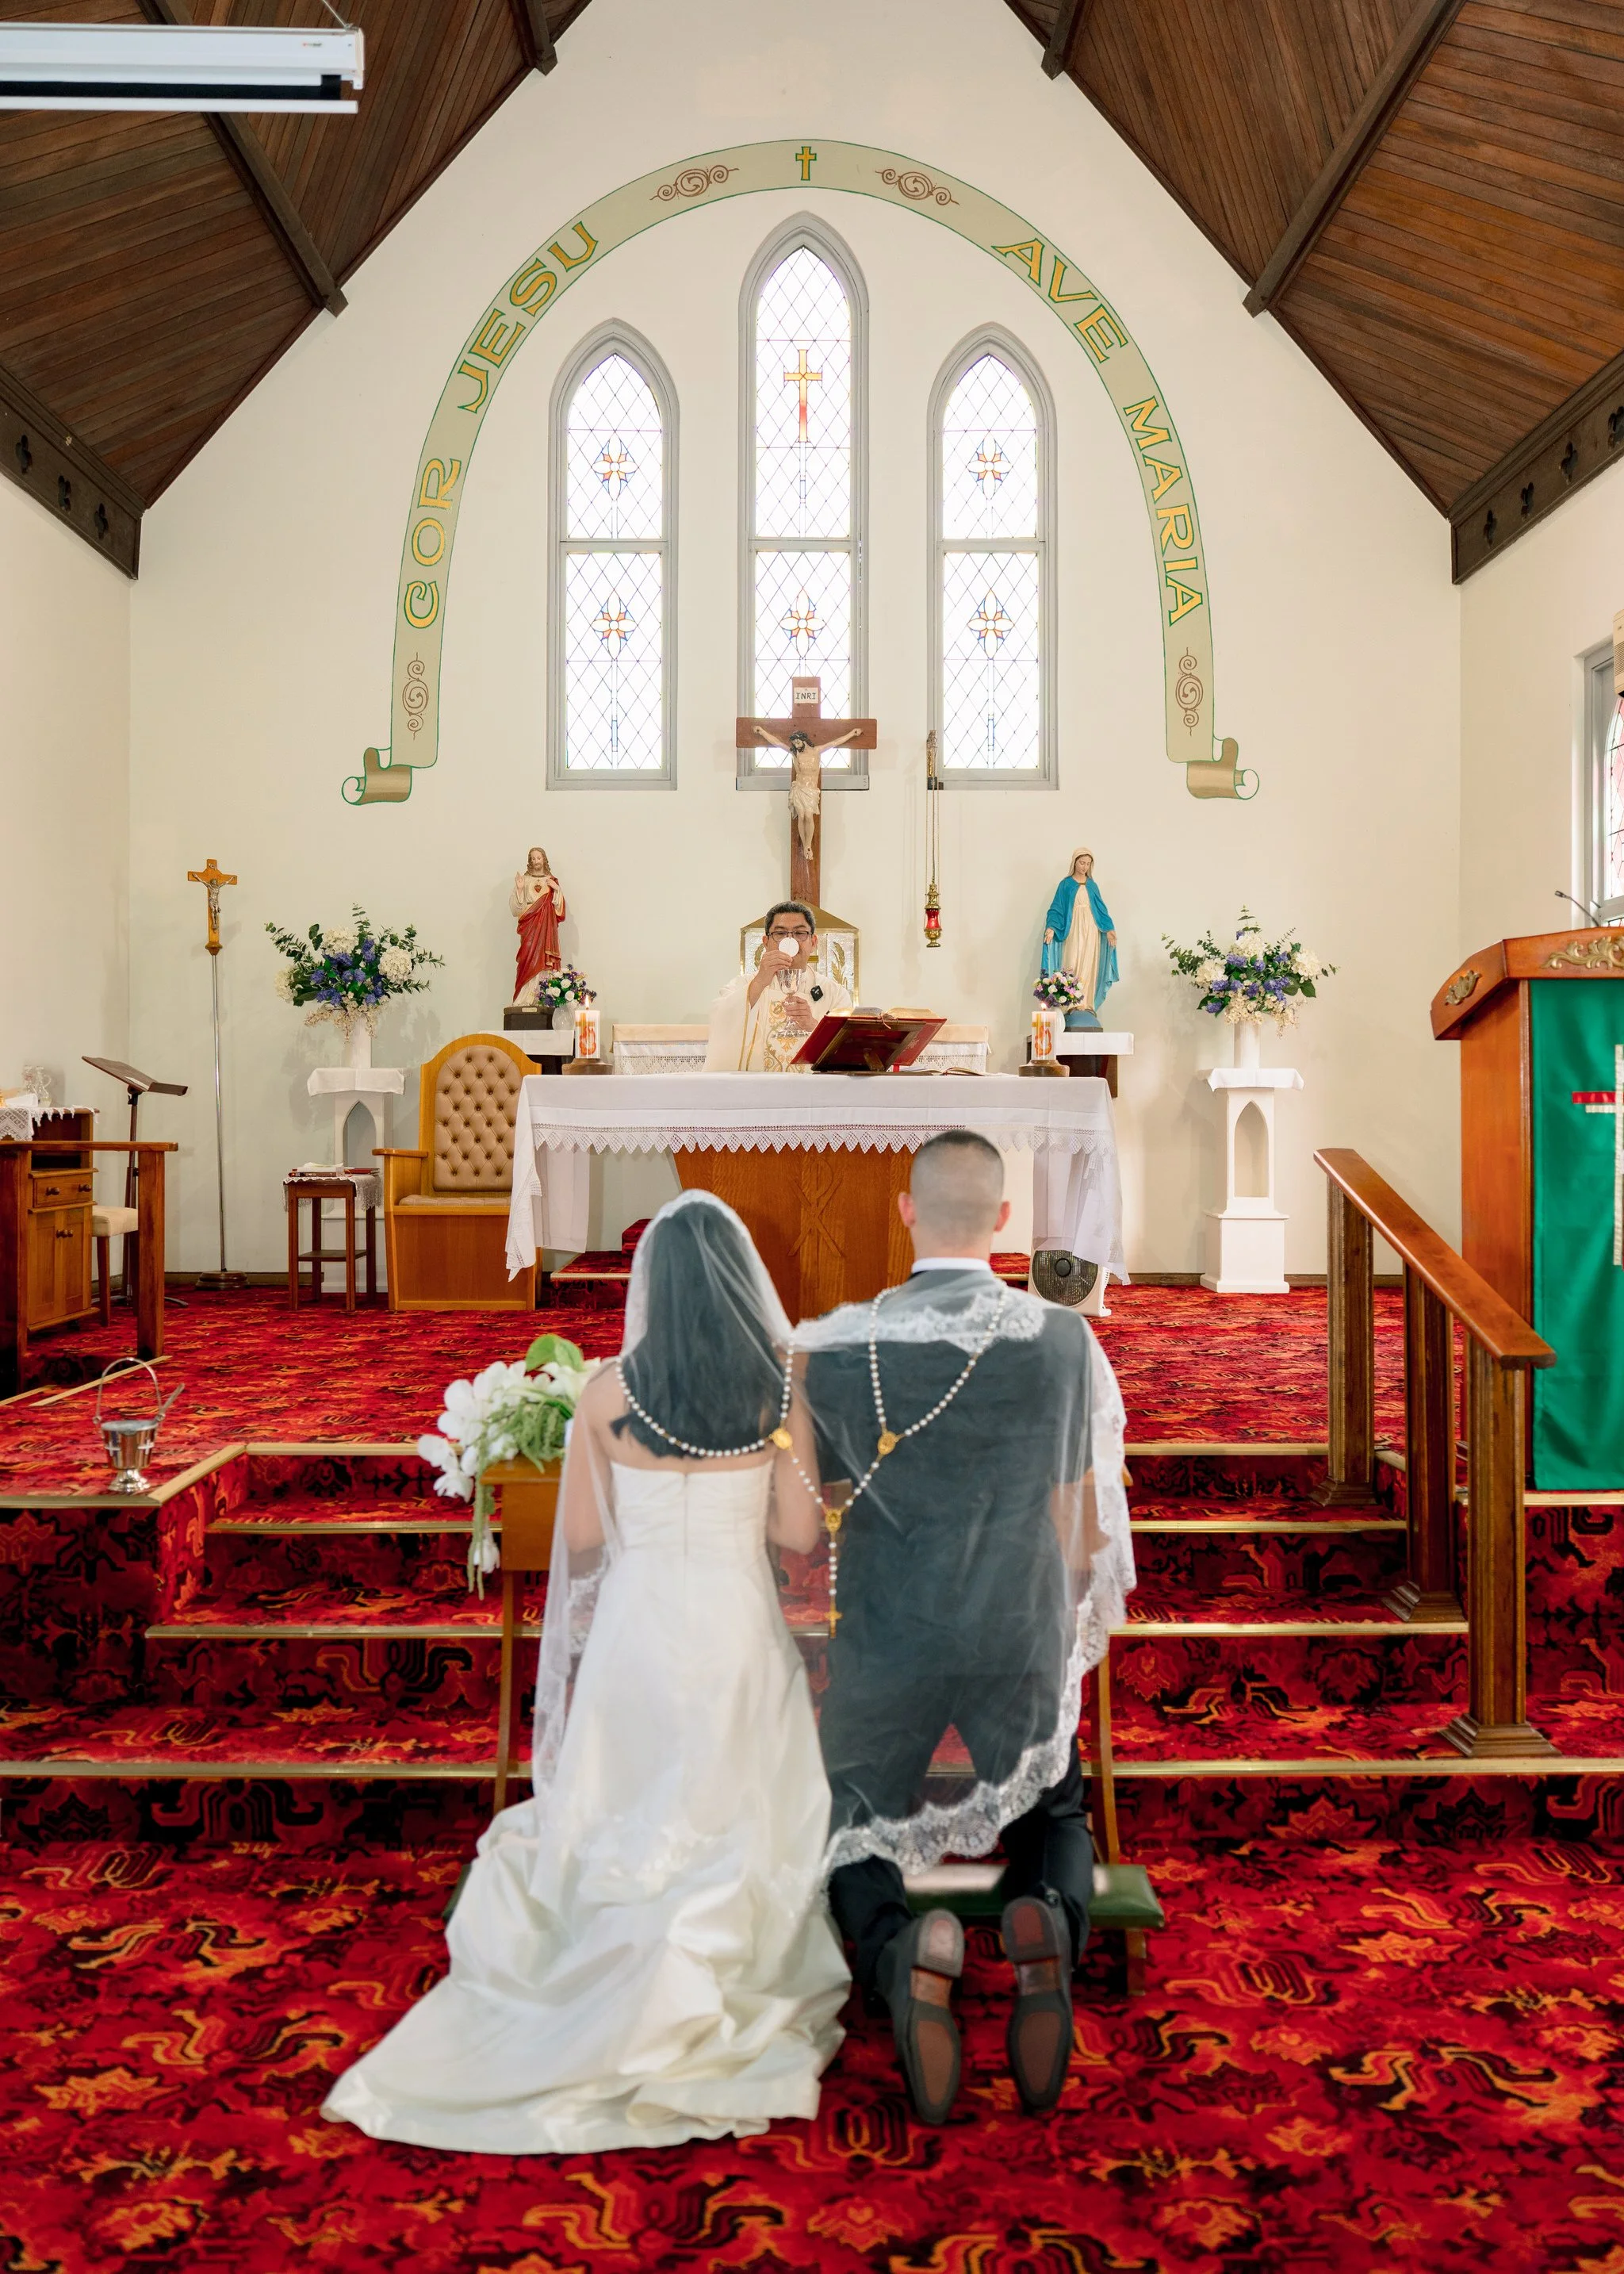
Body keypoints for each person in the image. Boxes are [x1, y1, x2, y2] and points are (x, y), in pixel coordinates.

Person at [322, 1193, 848, 2154]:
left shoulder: (606, 1394)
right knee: (734, 1799)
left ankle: (611, 1955)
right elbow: (796, 1533)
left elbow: (581, 1540)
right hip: (732, 1630)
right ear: (741, 1286)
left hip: (639, 1633)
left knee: (627, 1795)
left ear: (651, 1288)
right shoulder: (775, 1394)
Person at [794, 1129, 1132, 2125]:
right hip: (1015, 1621)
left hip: (888, 1630)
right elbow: (1080, 1507)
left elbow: (814, 1502)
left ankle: (897, 1952)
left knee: (846, 1816)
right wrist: (1054, 1611)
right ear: (1002, 1219)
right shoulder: (1063, 1339)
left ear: (904, 1211)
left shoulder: (838, 1342)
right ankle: (1046, 1920)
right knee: (1053, 1812)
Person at [704, 899, 853, 1072]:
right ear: (766, 942)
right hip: (757, 1086)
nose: (790, 941)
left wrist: (813, 1025)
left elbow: (847, 1049)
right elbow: (721, 1019)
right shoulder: (744, 985)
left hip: (811, 1088)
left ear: (813, 942)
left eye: (800, 933)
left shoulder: (834, 993)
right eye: (780, 933)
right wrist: (760, 982)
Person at [1042, 849, 1118, 1022]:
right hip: (1073, 927)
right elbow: (1057, 908)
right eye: (1082, 863)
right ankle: (1071, 1003)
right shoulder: (1066, 884)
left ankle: (1085, 1003)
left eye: (1088, 864)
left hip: (1091, 929)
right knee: (1073, 961)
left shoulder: (1092, 885)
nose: (1085, 867)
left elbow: (1101, 910)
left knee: (1089, 963)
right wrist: (1052, 927)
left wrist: (1109, 929)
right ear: (1075, 862)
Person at [510, 846, 565, 1007]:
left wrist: (557, 890)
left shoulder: (551, 880)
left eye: (539, 858)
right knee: (528, 960)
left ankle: (543, 997)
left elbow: (559, 911)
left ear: (544, 860)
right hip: (530, 927)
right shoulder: (524, 880)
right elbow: (516, 910)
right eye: (533, 859)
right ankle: (525, 998)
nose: (536, 861)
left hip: (546, 930)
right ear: (530, 861)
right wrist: (520, 889)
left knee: (544, 960)